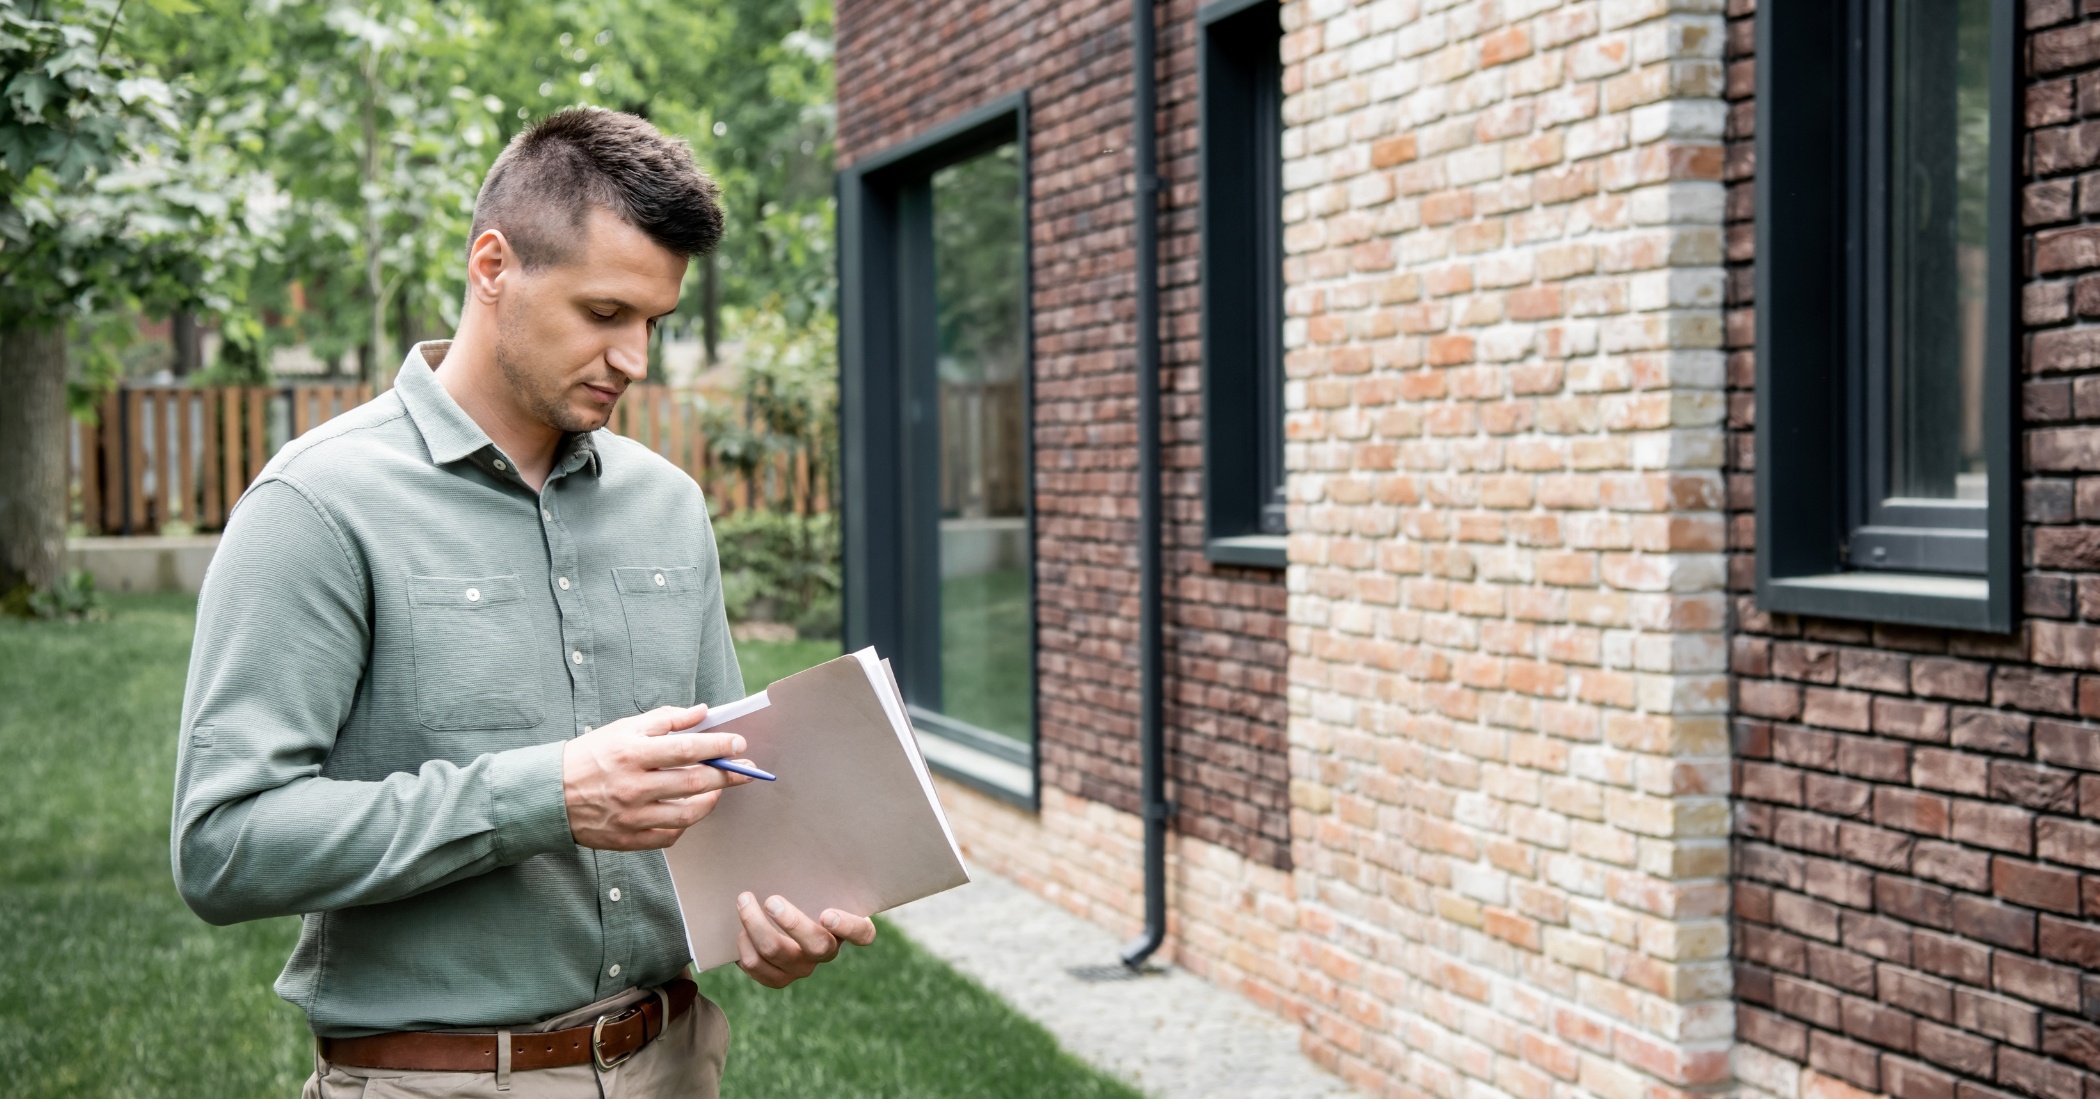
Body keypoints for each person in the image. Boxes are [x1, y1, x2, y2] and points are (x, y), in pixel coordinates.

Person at [169, 107, 874, 1099]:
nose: (636, 357)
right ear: (493, 265)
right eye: (604, 313)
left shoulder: (669, 506)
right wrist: (548, 795)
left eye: (655, 322)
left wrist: (773, 919)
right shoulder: (318, 506)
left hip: (676, 1066)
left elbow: (723, 798)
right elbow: (223, 845)